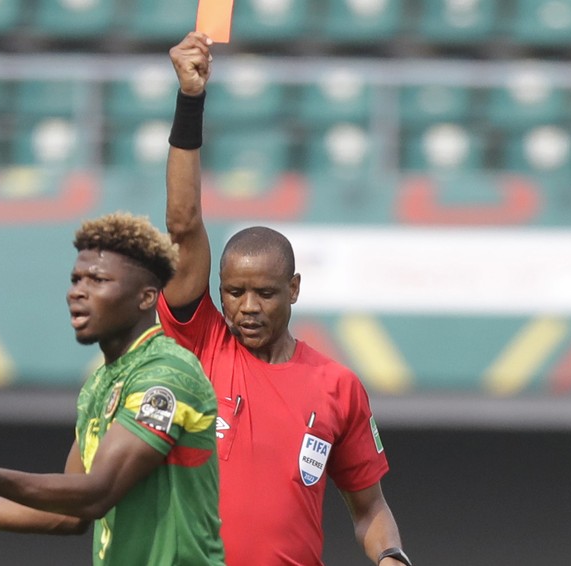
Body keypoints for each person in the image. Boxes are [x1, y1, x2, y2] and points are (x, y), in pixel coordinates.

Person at [159, 33, 412, 566]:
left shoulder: (338, 388)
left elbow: (369, 511)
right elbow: (183, 225)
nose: (247, 307)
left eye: (265, 293)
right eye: (234, 292)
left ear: (294, 289)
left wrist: (392, 556)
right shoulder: (201, 343)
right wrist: (190, 100)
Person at [0, 212, 226, 566]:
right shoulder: (99, 384)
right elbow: (69, 512)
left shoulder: (166, 375)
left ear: (146, 297)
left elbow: (97, 493)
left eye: (98, 280)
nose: (77, 292)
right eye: (76, 279)